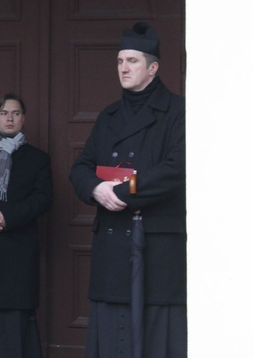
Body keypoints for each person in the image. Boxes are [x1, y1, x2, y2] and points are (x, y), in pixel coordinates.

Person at [69, 22, 186, 358]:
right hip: (113, 243)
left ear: (153, 67)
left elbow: (175, 169)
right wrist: (95, 189)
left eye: (132, 61)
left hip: (156, 247)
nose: (123, 68)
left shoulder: (178, 111)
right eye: (120, 61)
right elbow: (81, 168)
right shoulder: (109, 116)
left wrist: (122, 192)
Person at [0, 93, 52, 358]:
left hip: (17, 250)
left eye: (15, 113)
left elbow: (42, 199)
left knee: (14, 323)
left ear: (23, 118)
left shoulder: (38, 159)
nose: (9, 118)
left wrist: (9, 217)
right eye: (4, 113)